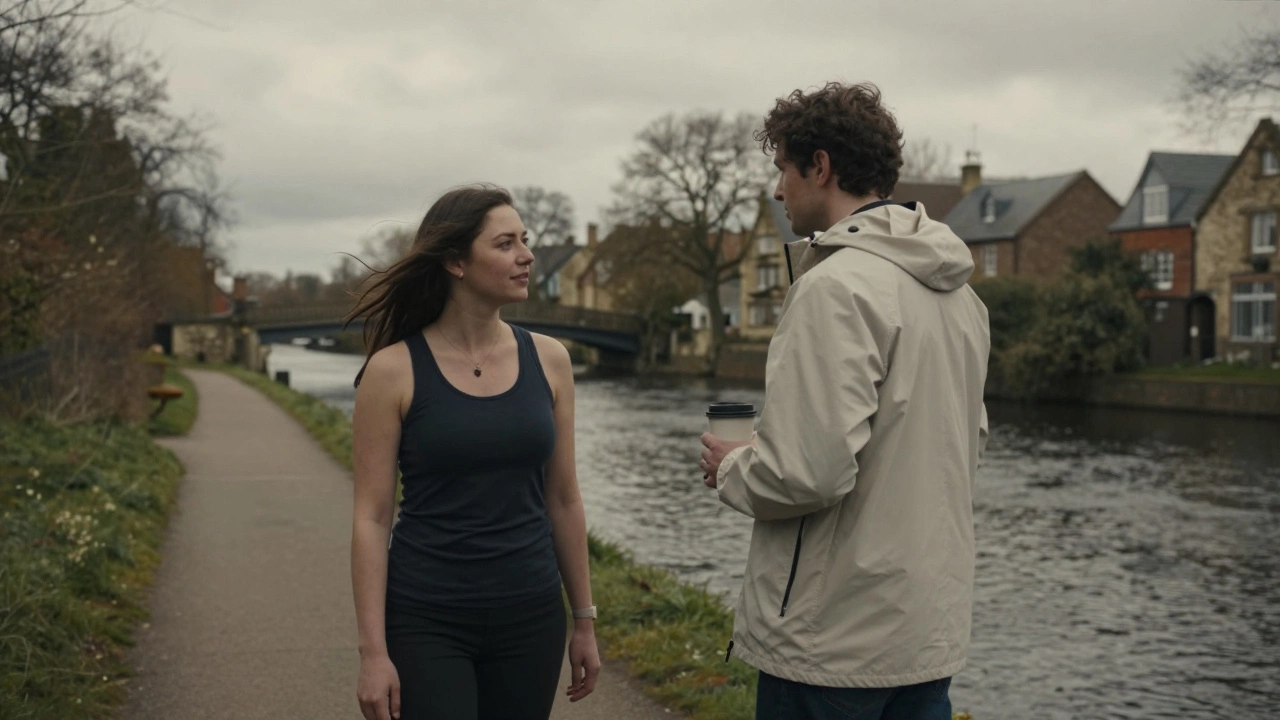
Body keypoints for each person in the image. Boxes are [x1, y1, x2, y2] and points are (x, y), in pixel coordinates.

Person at [698, 82, 991, 720]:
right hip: (926, 634)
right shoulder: (961, 298)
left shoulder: (834, 287)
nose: (778, 191)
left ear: (821, 166)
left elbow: (808, 473)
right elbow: (959, 449)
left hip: (831, 640)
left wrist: (733, 466)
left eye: (783, 169)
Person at [349, 185, 600, 720]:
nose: (527, 256)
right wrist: (373, 653)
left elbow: (563, 499)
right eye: (506, 244)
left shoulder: (551, 360)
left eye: (525, 240)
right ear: (456, 262)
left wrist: (584, 620)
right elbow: (371, 517)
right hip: (426, 618)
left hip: (531, 618)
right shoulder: (392, 371)